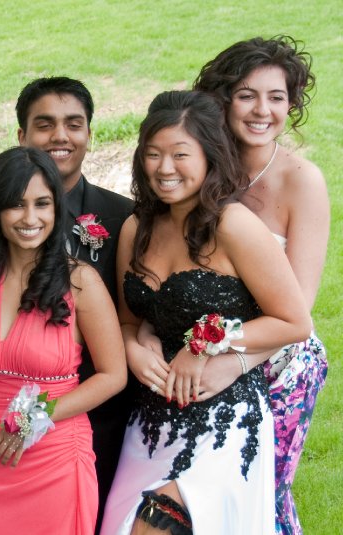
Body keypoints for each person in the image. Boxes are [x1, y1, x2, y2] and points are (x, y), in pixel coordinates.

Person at [101, 91, 312, 535]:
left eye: (180, 154)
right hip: (150, 420)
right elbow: (126, 319)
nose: (164, 168)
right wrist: (134, 348)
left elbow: (294, 321)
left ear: (210, 156)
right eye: (153, 154)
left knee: (155, 525)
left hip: (224, 418)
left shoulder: (234, 225)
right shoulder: (135, 228)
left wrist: (208, 345)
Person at [0, 77, 133, 529]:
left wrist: (40, 414)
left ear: (56, 210)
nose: (29, 219)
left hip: (53, 448)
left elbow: (113, 375)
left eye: (43, 204)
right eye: (16, 205)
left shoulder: (82, 281)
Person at [193, 36, 329, 534]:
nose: (262, 110)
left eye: (277, 97)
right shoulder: (204, 171)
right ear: (223, 98)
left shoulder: (302, 182)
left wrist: (231, 361)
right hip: (206, 354)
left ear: (291, 105)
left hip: (281, 363)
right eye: (247, 94)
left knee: (261, 492)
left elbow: (299, 313)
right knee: (206, 496)